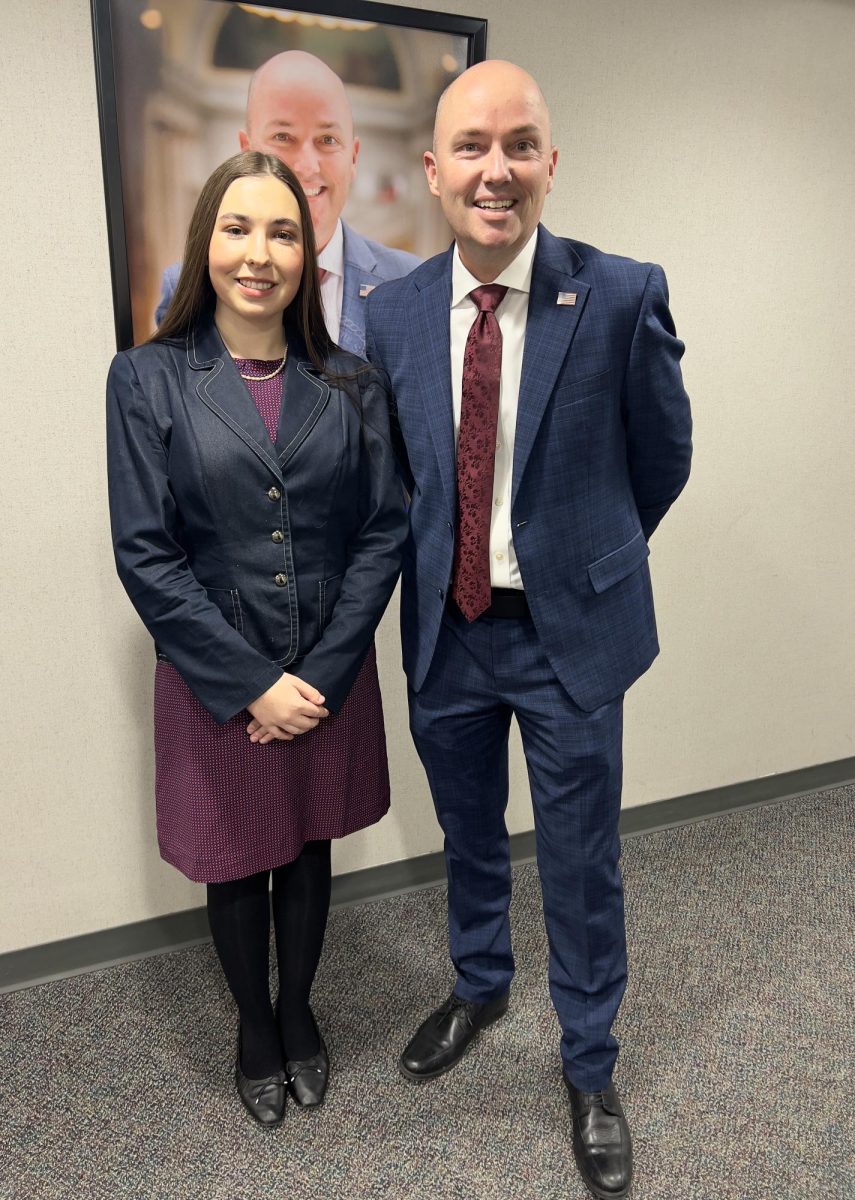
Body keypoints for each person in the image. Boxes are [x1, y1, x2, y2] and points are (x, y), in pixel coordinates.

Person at [365, 60, 692, 1199]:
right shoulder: (391, 312)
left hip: (569, 640)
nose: (494, 169)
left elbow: (664, 456)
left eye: (519, 144)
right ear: (433, 172)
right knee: (467, 831)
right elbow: (400, 478)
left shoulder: (619, 290)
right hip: (449, 632)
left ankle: (591, 1066)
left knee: (582, 859)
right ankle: (480, 981)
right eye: (471, 147)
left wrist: (582, 558)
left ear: (551, 162)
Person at [107, 151, 407, 1127]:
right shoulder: (147, 379)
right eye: (238, 227)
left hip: (327, 669)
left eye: (283, 232)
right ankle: (253, 1027)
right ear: (207, 242)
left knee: (306, 844)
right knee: (239, 856)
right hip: (212, 676)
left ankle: (300, 1010)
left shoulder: (352, 382)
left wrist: (313, 678)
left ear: (307, 254)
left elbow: (382, 528)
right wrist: (250, 685)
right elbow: (147, 556)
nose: (260, 252)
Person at [155, 51, 420, 356]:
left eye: (328, 140)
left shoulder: (410, 285)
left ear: (353, 158)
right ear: (247, 152)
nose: (307, 166)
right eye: (283, 136)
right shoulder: (185, 288)